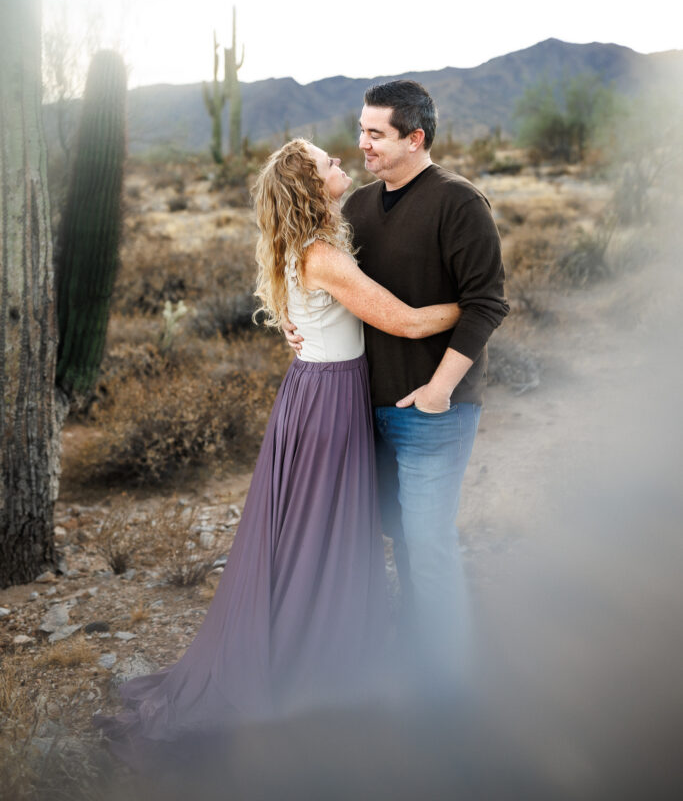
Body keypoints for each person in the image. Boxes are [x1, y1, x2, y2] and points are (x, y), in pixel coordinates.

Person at [93, 138, 462, 771]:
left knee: (306, 534)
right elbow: (403, 322)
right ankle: (307, 664)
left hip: (314, 393)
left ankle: (315, 649)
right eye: (326, 164)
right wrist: (477, 306)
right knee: (318, 533)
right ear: (311, 187)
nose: (339, 162)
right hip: (326, 404)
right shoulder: (321, 255)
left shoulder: (310, 245)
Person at [286, 81, 509, 678]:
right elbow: (332, 286)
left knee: (429, 545)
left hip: (434, 412)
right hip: (367, 410)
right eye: (360, 130)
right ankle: (417, 660)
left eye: (375, 134)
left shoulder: (459, 202)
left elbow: (486, 304)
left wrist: (439, 392)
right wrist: (294, 318)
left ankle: (449, 688)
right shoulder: (356, 208)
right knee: (399, 538)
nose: (361, 144)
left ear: (415, 138)